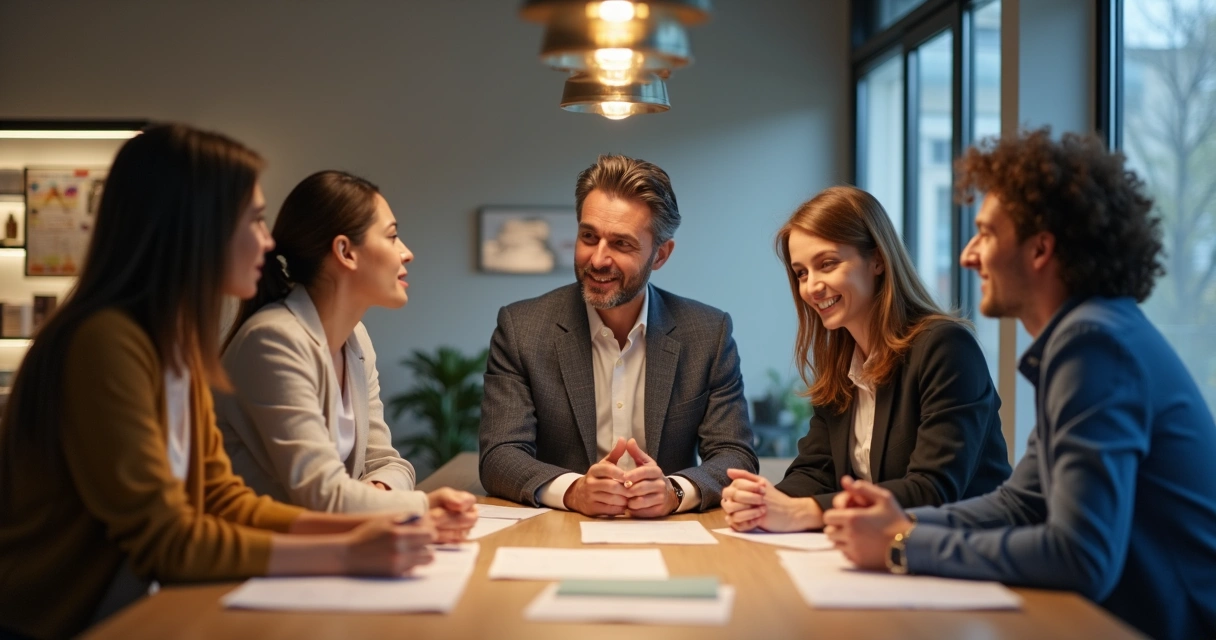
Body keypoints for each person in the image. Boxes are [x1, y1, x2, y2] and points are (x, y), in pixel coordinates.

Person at [0, 125, 436, 639]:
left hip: (133, 609)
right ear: (194, 226)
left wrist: (370, 527)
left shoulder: (176, 342)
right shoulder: (106, 342)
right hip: (58, 623)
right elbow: (168, 540)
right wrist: (347, 548)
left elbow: (223, 499)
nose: (269, 240)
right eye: (252, 218)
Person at [822, 129, 1216, 640]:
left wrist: (901, 545)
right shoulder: (1092, 333)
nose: (968, 255)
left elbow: (1080, 556)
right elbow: (1020, 503)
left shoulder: (1092, 344)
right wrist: (906, 523)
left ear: (1040, 250)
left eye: (985, 234)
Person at [479, 154, 757, 517]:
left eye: (622, 244)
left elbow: (735, 456)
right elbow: (500, 455)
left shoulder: (707, 333)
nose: (597, 259)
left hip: (670, 533)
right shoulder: (521, 328)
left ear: (660, 255)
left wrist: (674, 491)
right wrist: (574, 490)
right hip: (560, 529)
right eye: (589, 237)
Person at [720, 186, 1010, 532]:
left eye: (827, 264)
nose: (812, 286)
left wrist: (805, 512)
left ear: (877, 260)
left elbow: (932, 490)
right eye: (801, 273)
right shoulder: (843, 363)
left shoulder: (946, 347)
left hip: (965, 557)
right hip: (886, 558)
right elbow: (816, 472)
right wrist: (762, 501)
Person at [215, 171, 477, 534]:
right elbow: (322, 496)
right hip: (254, 563)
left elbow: (390, 463)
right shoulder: (273, 340)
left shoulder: (356, 338)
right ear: (345, 252)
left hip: (321, 554)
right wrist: (421, 504)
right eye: (392, 236)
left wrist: (375, 495)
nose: (407, 252)